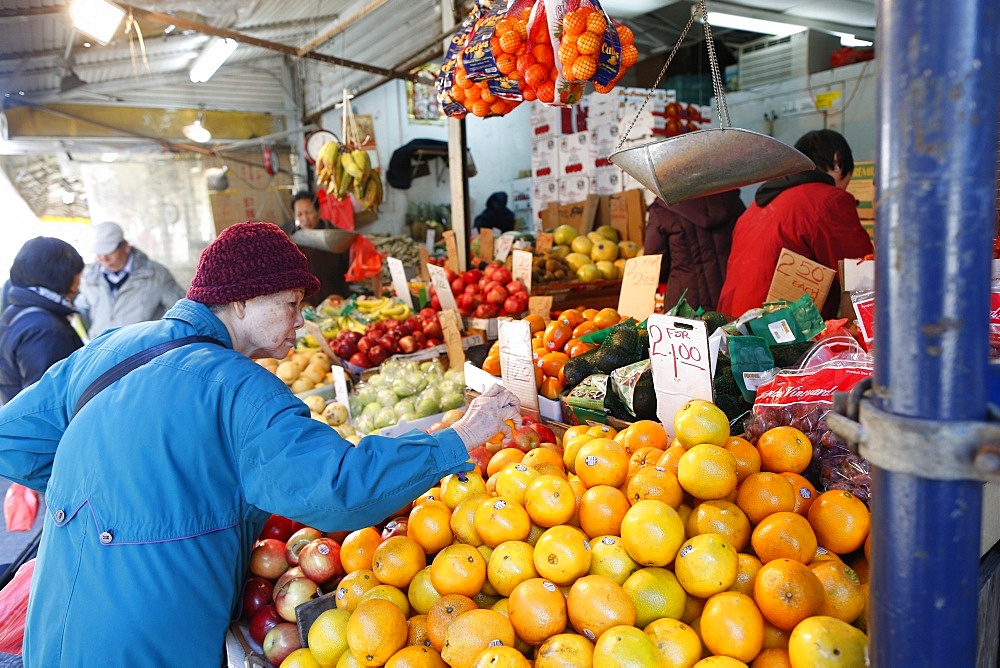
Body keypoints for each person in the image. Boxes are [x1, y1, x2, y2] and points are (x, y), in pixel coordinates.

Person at [0, 221, 521, 666]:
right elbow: (339, 487)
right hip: (150, 636)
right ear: (242, 300)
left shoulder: (109, 349)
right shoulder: (236, 385)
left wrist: (114, 491)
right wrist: (463, 436)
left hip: (58, 624)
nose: (302, 320)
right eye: (292, 303)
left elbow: (13, 440)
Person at [716, 129, 875, 320]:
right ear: (837, 164)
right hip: (776, 333)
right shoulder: (828, 200)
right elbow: (862, 272)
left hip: (732, 324)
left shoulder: (757, 206)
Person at [0, 237, 85, 404]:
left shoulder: (17, 312)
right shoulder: (45, 329)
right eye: (77, 275)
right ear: (61, 275)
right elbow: (46, 403)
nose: (78, 285)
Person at [74, 222, 187, 340]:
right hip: (103, 352)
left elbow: (184, 310)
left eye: (109, 252)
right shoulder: (89, 278)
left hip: (144, 353)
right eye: (99, 253)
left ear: (125, 247)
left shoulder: (155, 275)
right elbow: (82, 314)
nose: (104, 259)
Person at [644, 190, 746, 312]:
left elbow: (655, 266)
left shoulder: (662, 210)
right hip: (732, 293)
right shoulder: (729, 198)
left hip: (685, 304)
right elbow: (746, 243)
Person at [286, 191, 351, 305]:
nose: (305, 218)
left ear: (318, 211)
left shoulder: (336, 237)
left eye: (309, 212)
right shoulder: (291, 244)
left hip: (337, 302)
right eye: (300, 214)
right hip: (307, 308)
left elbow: (350, 269)